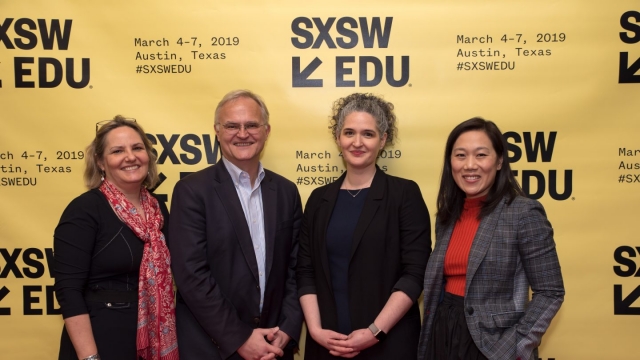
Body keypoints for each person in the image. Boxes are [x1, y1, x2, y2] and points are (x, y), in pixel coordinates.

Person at [168, 90, 303, 359]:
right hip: (212, 347)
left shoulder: (286, 191)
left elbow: (297, 267)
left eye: (251, 125)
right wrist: (239, 337)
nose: (243, 134)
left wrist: (287, 328)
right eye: (232, 126)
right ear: (217, 132)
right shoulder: (192, 191)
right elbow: (191, 275)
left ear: (266, 131)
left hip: (273, 345)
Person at [297, 93, 432, 359]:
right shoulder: (318, 199)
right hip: (327, 345)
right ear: (338, 137)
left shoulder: (404, 194)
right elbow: (305, 271)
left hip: (388, 344)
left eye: (368, 134)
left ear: (383, 140)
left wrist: (374, 331)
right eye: (349, 132)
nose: (357, 142)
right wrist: (315, 330)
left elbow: (415, 273)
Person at [418, 117, 565, 360]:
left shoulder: (523, 213)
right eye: (461, 155)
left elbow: (551, 292)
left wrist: (516, 345)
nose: (470, 165)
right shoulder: (446, 216)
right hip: (443, 332)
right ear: (450, 162)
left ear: (499, 162)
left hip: (494, 344)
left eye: (481, 155)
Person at [54, 116, 178, 360]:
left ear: (148, 156)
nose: (130, 157)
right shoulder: (85, 210)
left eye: (137, 148)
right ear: (100, 162)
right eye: (117, 151)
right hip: (101, 342)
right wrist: (90, 357)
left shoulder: (158, 211)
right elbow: (69, 291)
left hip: (151, 341)